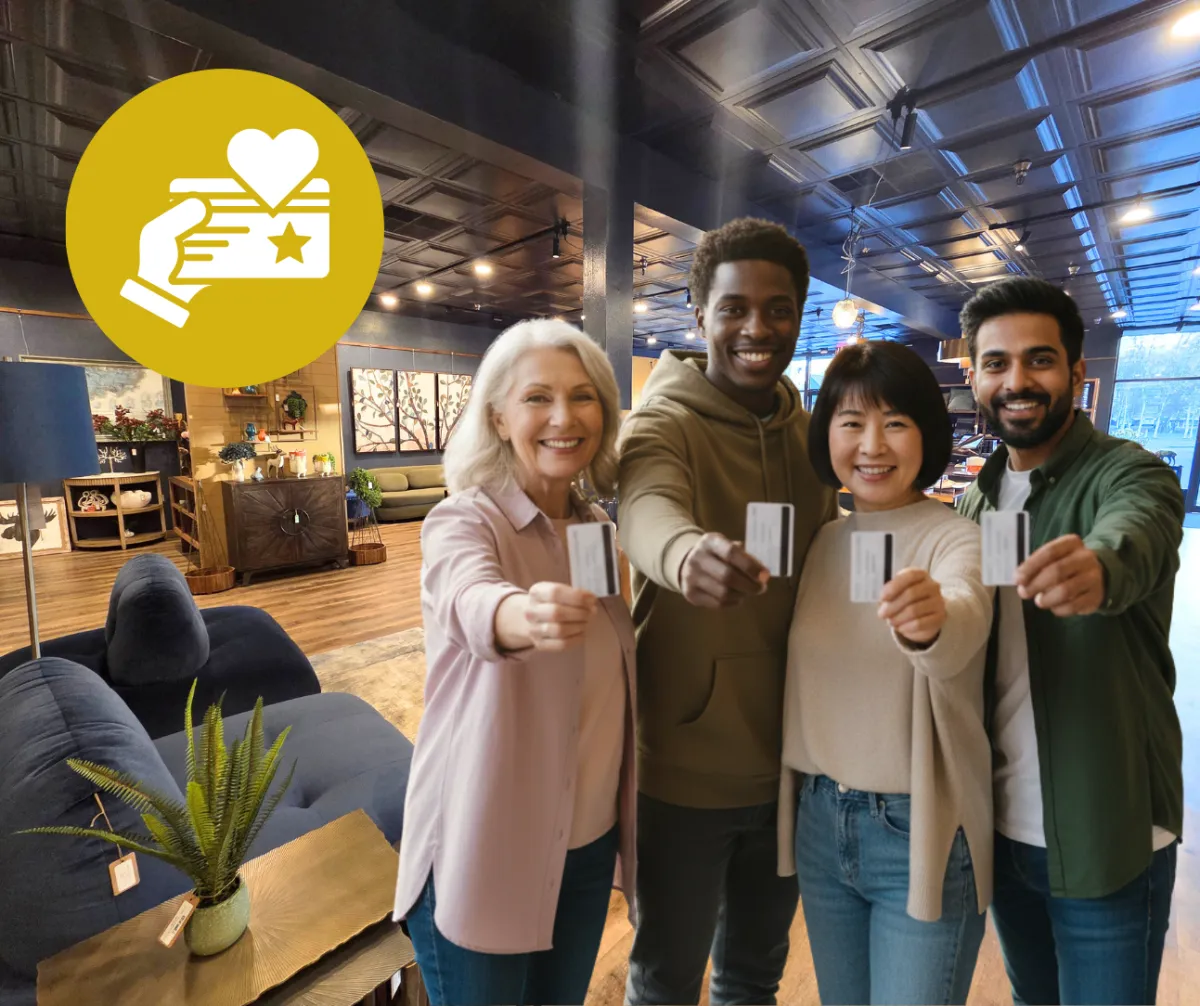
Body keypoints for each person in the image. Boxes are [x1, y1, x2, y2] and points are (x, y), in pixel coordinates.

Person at [618, 217, 837, 1005]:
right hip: (683, 770)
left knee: (753, 977)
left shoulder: (811, 435)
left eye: (779, 309)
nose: (758, 328)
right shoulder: (660, 422)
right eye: (736, 306)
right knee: (665, 981)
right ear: (699, 310)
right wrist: (683, 555)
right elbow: (644, 506)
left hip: (790, 765)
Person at [392, 319, 637, 1006]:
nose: (564, 417)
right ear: (499, 416)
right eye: (538, 398)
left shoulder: (594, 529)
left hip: (586, 842)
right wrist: (523, 615)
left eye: (583, 396)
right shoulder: (465, 521)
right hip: (486, 842)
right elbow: (471, 598)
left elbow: (610, 663)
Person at [957, 277, 1185, 1006]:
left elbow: (1139, 532)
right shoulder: (977, 498)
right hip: (1001, 829)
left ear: (1077, 373)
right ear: (974, 376)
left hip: (1106, 828)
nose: (1017, 381)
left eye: (1039, 360)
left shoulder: (1129, 471)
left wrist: (1101, 568)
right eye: (996, 363)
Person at [777, 341, 994, 1005]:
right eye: (851, 423)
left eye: (895, 422)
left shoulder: (955, 537)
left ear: (926, 435)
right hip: (820, 820)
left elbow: (963, 618)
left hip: (917, 827)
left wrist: (929, 621)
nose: (873, 444)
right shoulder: (821, 541)